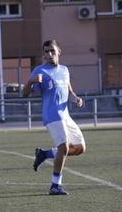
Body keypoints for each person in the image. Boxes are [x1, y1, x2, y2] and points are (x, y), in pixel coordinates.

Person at [23, 39, 86, 196]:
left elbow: (69, 90)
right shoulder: (39, 70)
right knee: (64, 147)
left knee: (79, 148)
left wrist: (76, 98)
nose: (49, 54)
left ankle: (44, 154)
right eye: (46, 51)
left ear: (59, 51)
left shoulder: (64, 70)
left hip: (65, 115)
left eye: (52, 50)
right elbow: (24, 93)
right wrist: (30, 81)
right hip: (51, 114)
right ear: (43, 54)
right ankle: (55, 185)